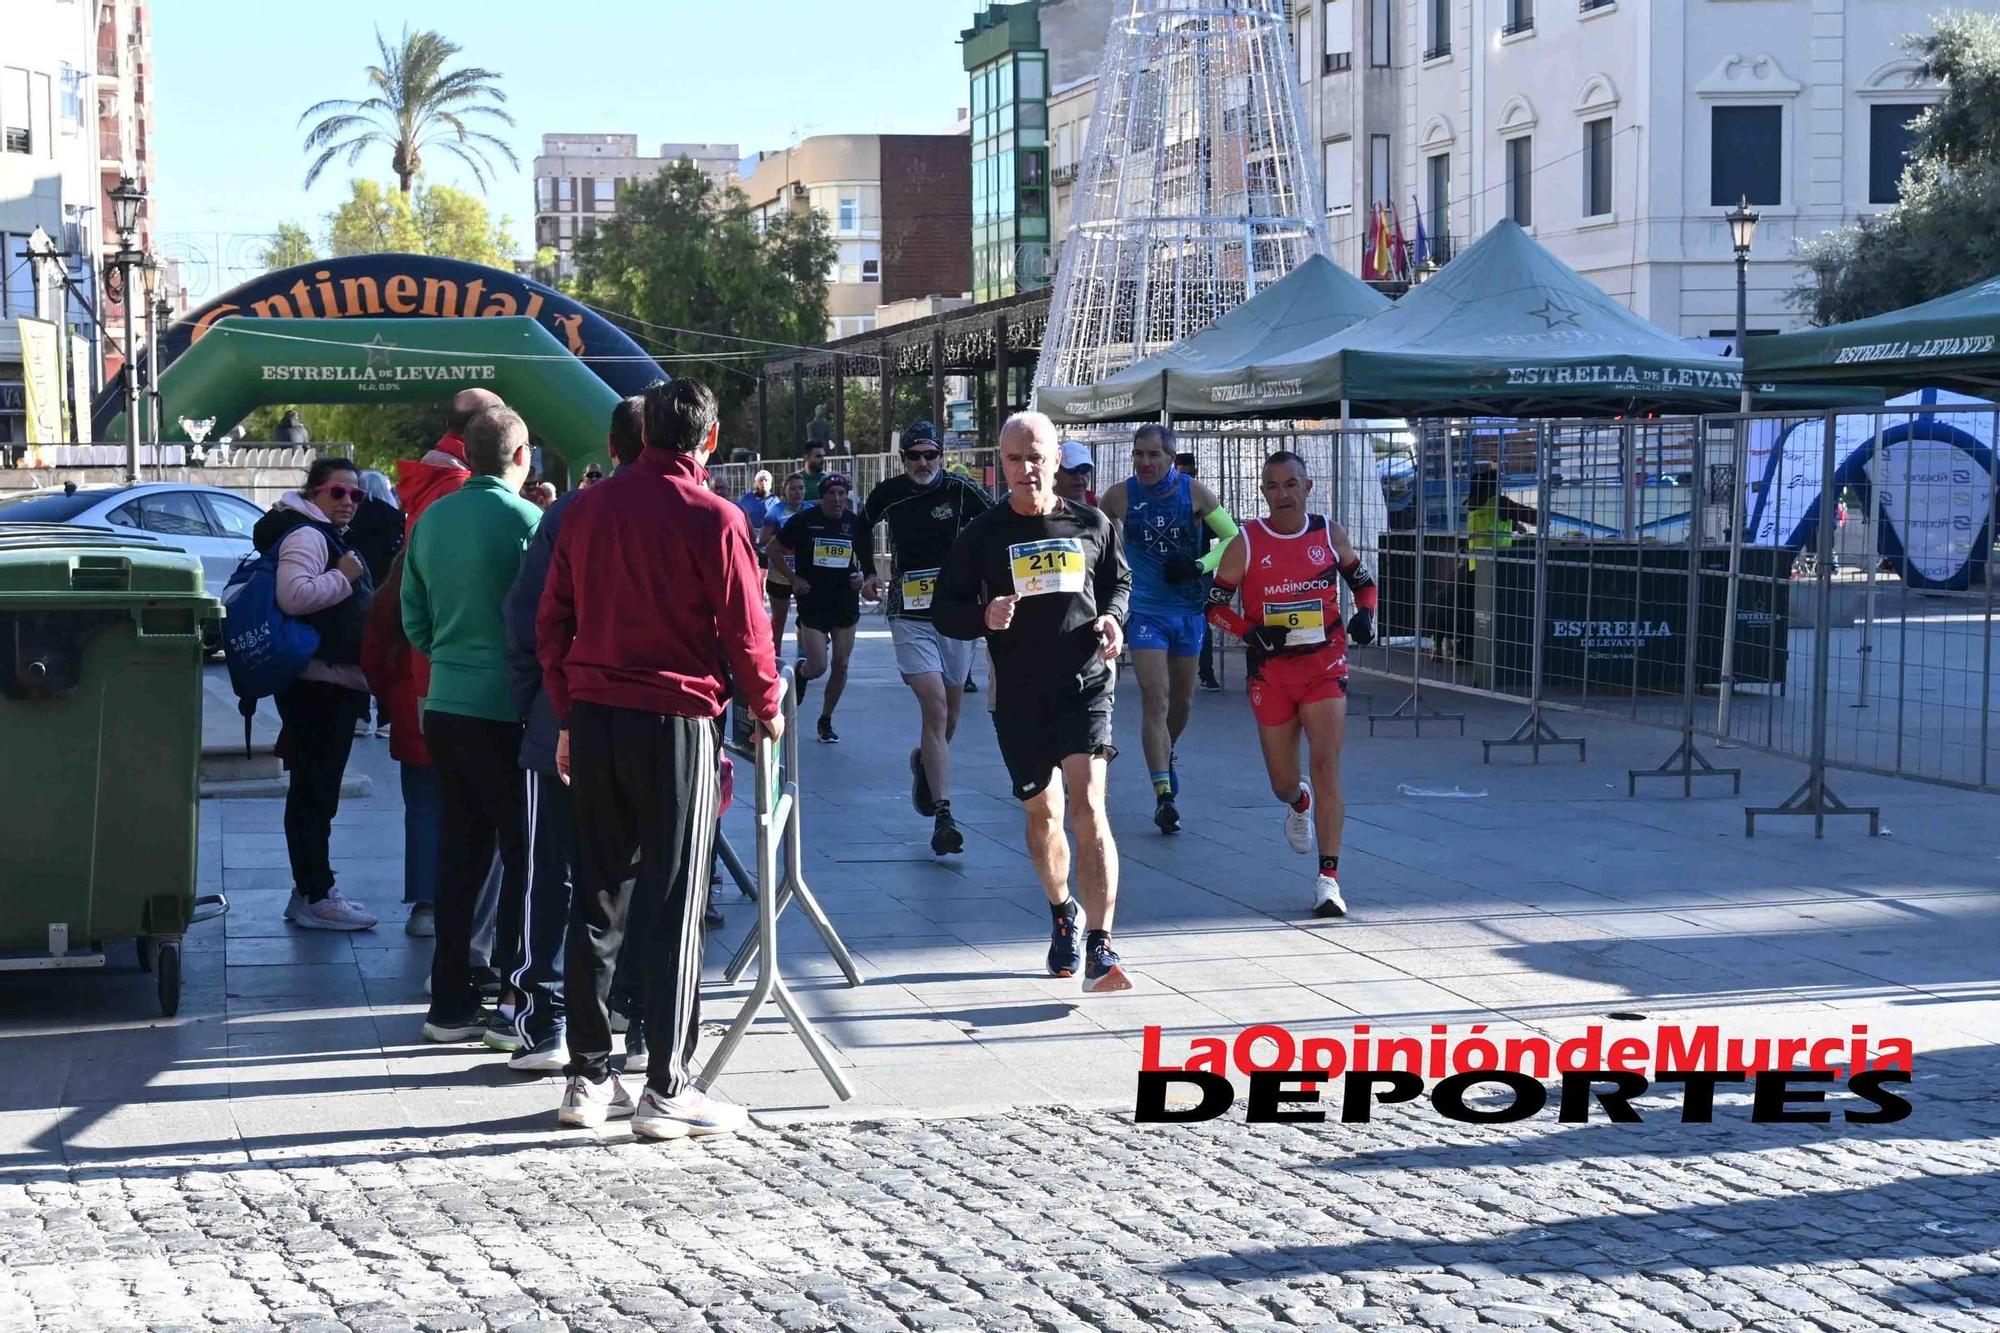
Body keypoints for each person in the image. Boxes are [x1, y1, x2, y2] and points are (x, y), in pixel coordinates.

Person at [538, 377, 781, 1140]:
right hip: (676, 718)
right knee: (675, 903)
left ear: (642, 437)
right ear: (709, 441)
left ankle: (586, 1074)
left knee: (598, 893)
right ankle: (666, 1084)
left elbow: (553, 621)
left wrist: (570, 708)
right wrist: (766, 705)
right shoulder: (717, 516)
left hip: (599, 714)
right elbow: (746, 627)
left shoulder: (586, 509)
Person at [935, 411, 1132, 993]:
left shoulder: (1092, 524)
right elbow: (945, 608)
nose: (1027, 468)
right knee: (1043, 815)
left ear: (1055, 460)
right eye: (1016, 458)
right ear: (1002, 465)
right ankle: (1061, 912)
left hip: (1086, 684)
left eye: (1037, 456)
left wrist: (1114, 620)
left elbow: (1119, 583)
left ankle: (1101, 942)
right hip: (1019, 695)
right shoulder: (983, 535)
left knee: (1089, 805)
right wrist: (982, 617)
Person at [501, 396, 648, 1073]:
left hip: (568, 717)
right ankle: (631, 1015)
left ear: (610, 449)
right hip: (649, 725)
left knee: (552, 874)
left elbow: (529, 619)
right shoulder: (696, 514)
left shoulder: (569, 514)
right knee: (638, 870)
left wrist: (539, 702)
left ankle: (549, 1019)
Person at [401, 406, 543, 1045]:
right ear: (523, 458)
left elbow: (414, 615)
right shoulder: (527, 522)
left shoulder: (432, 518)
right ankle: (516, 1000)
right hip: (507, 709)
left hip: (446, 702)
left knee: (460, 852)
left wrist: (449, 656)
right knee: (525, 854)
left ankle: (450, 1000)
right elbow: (547, 616)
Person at [1203, 451, 1376, 919]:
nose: (1282, 494)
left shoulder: (1327, 532)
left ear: (1308, 487)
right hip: (1272, 675)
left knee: (1326, 765)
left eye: (1291, 484)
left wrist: (1366, 616)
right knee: (1284, 781)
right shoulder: (1246, 541)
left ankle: (1329, 881)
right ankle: (1297, 802)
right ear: (1263, 492)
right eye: (1273, 486)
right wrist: (1248, 632)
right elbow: (1214, 607)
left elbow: (1363, 583)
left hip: (1324, 666)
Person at [855, 420, 992, 856]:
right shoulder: (890, 492)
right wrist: (868, 572)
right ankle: (945, 814)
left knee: (949, 717)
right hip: (909, 610)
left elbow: (995, 525)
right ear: (903, 459)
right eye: (914, 455)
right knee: (933, 705)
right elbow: (862, 526)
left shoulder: (960, 489)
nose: (922, 463)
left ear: (941, 456)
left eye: (930, 454)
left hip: (955, 610)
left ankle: (925, 765)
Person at [253, 458, 377, 931]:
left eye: (356, 494)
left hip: (324, 680)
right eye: (337, 493)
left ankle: (309, 887)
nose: (348, 502)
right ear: (313, 494)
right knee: (314, 793)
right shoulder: (307, 535)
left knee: (314, 791)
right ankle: (316, 893)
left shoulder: (320, 532)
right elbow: (294, 596)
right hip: (318, 683)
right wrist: (343, 576)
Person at [1099, 425, 1239, 834]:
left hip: (1188, 609)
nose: (1145, 463)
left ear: (1171, 459)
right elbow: (1096, 538)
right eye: (1138, 455)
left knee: (1182, 703)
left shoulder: (1196, 494)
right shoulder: (1120, 495)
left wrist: (1199, 566)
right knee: (1154, 699)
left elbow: (1232, 538)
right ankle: (1164, 796)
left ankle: (1166, 751)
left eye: (1153, 455)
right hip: (1144, 610)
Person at [771, 472, 863, 743]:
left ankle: (825, 719)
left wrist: (864, 576)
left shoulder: (854, 523)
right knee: (819, 666)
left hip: (845, 602)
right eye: (832, 494)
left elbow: (866, 560)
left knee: (842, 664)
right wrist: (793, 578)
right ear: (821, 497)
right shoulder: (804, 521)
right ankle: (802, 672)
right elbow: (773, 549)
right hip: (813, 602)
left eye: (842, 495)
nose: (837, 499)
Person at [347, 471, 405, 738]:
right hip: (386, 592)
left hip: (356, 591)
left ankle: (359, 715)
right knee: (387, 654)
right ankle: (387, 717)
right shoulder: (393, 519)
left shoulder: (353, 519)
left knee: (360, 654)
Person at [1174, 451, 1224, 694]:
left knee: (1201, 621)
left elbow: (1224, 534)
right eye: (1182, 474)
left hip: (1199, 569)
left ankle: (1206, 673)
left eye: (1190, 474)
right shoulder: (1168, 498)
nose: (1186, 479)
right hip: (1174, 571)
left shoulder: (1202, 498)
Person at [760, 472, 807, 652]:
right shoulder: (776, 511)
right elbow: (762, 540)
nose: (797, 492)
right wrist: (784, 543)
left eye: (801, 488)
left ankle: (802, 655)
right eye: (793, 488)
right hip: (779, 574)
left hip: (804, 573)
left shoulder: (810, 509)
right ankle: (774, 657)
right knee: (779, 619)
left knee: (806, 618)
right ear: (785, 491)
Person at [1055, 441, 1098, 507]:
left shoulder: (1094, 502)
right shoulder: (1042, 505)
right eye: (1071, 469)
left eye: (1085, 468)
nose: (1078, 477)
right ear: (1055, 471)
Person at [736, 470, 774, 534]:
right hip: (749, 533)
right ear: (755, 483)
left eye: (766, 480)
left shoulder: (774, 500)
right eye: (761, 480)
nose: (763, 483)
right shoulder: (746, 499)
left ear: (770, 484)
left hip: (768, 535)